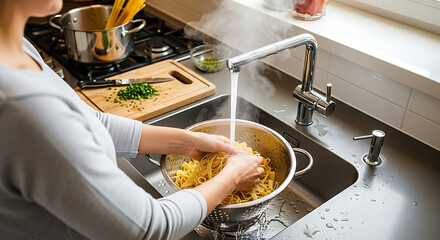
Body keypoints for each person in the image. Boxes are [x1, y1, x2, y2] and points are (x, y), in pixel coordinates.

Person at [0, 0, 265, 239]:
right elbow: (147, 228)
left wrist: (186, 142)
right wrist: (232, 176)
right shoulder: (23, 106)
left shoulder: (17, 47)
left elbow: (87, 121)